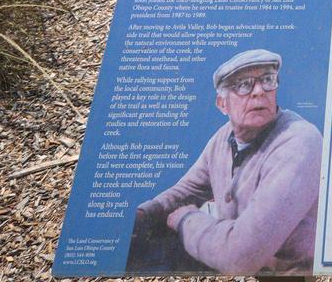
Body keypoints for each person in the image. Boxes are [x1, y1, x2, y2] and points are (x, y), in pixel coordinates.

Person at [128, 49, 322, 275]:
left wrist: (185, 220)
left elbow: (242, 257)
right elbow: (190, 188)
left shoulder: (298, 140)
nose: (259, 91)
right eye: (243, 84)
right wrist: (148, 213)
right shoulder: (225, 136)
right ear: (222, 104)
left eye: (267, 80)